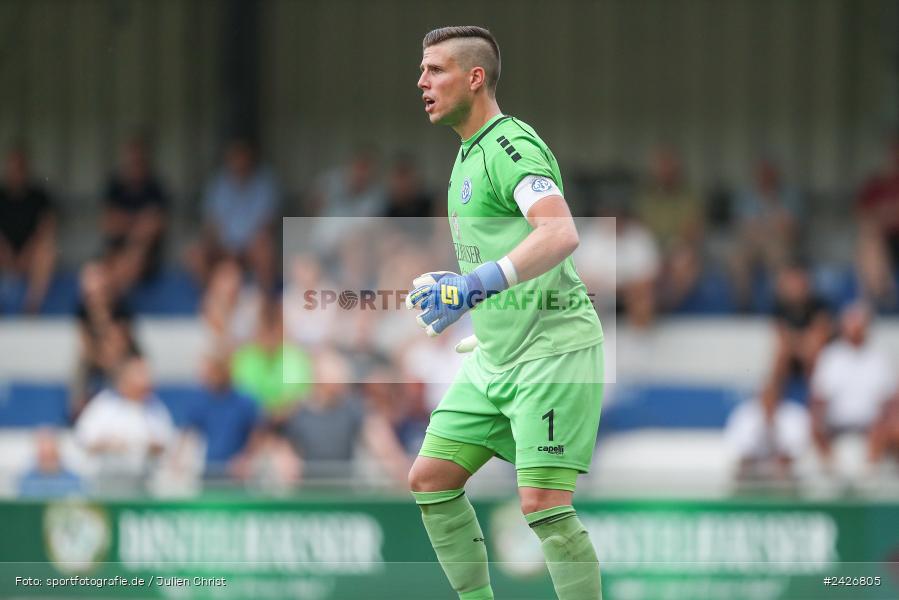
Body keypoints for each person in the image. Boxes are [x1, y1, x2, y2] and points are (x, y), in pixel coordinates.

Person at [409, 26, 603, 600]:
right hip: (495, 358)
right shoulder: (467, 154)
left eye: (435, 70)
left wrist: (474, 287)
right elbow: (501, 254)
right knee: (430, 479)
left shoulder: (510, 146)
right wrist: (464, 291)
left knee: (543, 504)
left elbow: (560, 233)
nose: (421, 82)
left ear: (475, 78)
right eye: (422, 71)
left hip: (550, 354)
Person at [810, 303, 896, 473]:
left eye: (859, 323)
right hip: (836, 427)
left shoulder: (879, 358)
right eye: (851, 322)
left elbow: (890, 401)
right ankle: (833, 470)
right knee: (812, 427)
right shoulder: (831, 356)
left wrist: (881, 425)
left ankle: (869, 474)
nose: (855, 328)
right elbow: (818, 399)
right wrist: (819, 423)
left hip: (872, 430)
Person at [187, 138, 279, 290]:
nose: (239, 160)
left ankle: (266, 300)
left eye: (243, 155)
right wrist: (220, 245)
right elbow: (210, 223)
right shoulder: (217, 183)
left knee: (265, 250)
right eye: (235, 156)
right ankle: (209, 297)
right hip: (222, 246)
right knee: (195, 253)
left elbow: (267, 224)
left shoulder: (265, 183)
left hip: (251, 247)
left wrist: (245, 247)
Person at [74, 355, 175, 493]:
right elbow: (83, 439)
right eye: (140, 374)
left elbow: (167, 443)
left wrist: (153, 447)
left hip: (143, 483)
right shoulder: (104, 404)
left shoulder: (156, 407)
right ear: (125, 378)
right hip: (107, 482)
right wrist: (109, 445)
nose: (148, 379)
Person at [101, 137, 169, 293]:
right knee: (106, 266)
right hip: (115, 253)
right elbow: (108, 224)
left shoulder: (155, 187)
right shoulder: (115, 186)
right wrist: (139, 222)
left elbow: (158, 226)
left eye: (138, 159)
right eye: (131, 159)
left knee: (134, 256)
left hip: (147, 257)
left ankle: (117, 301)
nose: (134, 163)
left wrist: (126, 223)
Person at [0, 146, 57, 313]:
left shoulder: (39, 196)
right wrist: (7, 254)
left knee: (47, 252)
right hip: (4, 255)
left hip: (31, 256)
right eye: (13, 167)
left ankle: (31, 309)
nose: (16, 172)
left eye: (20, 167)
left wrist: (27, 254)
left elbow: (47, 228)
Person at [18, 428, 82, 498]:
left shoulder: (73, 480)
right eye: (44, 455)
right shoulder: (27, 481)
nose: (47, 460)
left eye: (51, 455)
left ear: (57, 452)